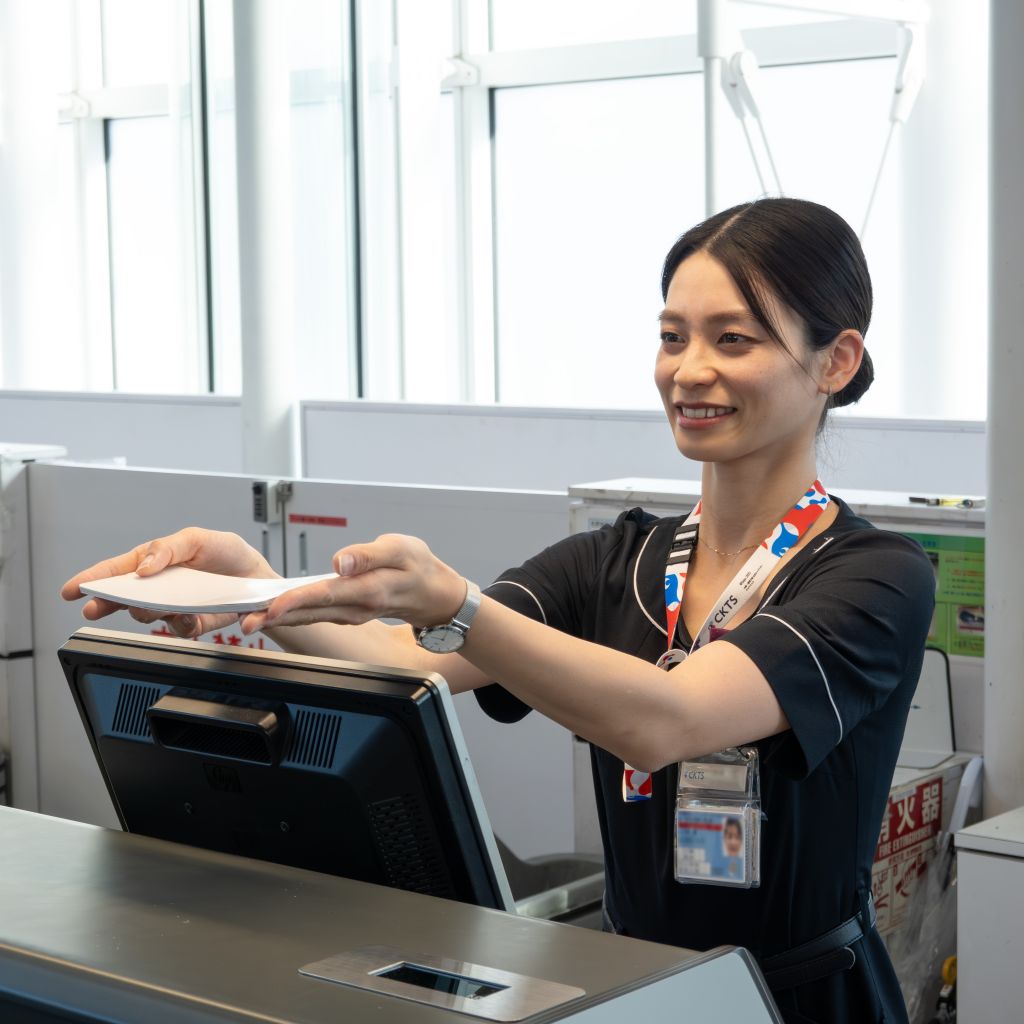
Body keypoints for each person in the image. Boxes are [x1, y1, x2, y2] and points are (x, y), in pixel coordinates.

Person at [63, 197, 934, 1024]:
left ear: (836, 361)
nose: (689, 369)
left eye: (732, 339)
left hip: (798, 997)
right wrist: (255, 589)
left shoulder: (875, 577)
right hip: (637, 985)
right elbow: (417, 661)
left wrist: (455, 603)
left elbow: (669, 720)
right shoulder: (619, 556)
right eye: (673, 337)